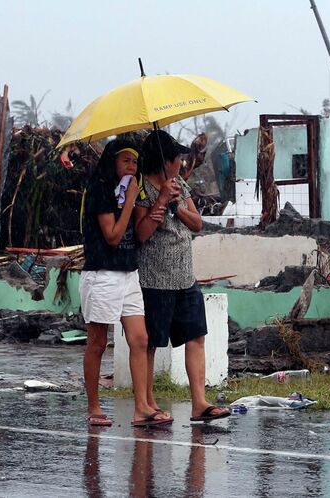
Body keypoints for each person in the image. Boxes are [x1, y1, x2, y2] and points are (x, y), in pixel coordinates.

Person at [134, 129, 229, 422]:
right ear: (165, 161)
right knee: (151, 343)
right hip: (155, 279)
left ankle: (199, 403)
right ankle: (148, 404)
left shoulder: (179, 186)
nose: (181, 164)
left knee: (195, 336)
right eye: (177, 159)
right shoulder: (141, 191)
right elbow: (141, 233)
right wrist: (161, 202)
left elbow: (197, 223)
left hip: (185, 277)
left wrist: (176, 205)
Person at [80, 139, 173, 427]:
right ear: (112, 162)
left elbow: (137, 231)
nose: (132, 167)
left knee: (140, 339)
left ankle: (142, 407)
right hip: (103, 273)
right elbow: (113, 236)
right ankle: (94, 407)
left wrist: (153, 203)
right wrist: (131, 200)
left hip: (128, 271)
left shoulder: (130, 190)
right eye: (125, 161)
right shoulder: (100, 190)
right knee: (97, 342)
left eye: (135, 162)